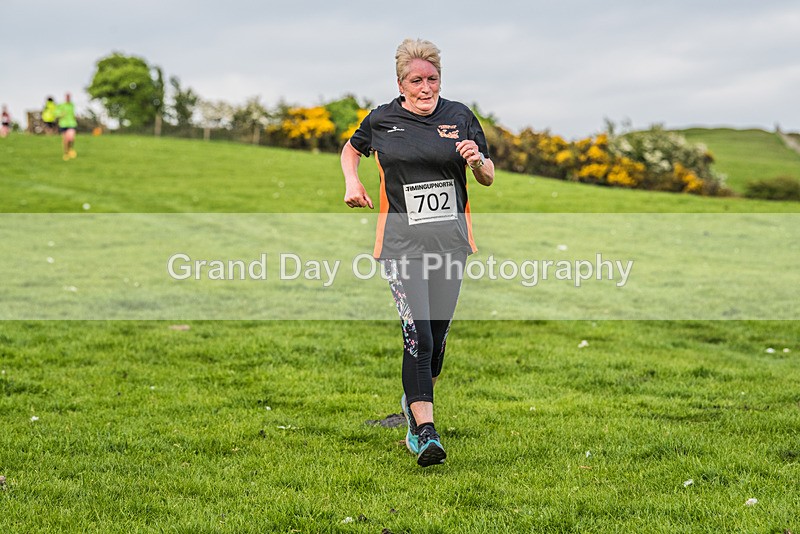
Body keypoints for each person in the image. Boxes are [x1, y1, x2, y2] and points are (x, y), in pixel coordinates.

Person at [340, 38, 495, 467]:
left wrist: (477, 160)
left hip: (450, 245)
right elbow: (351, 150)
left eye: (432, 79)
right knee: (419, 337)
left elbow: (488, 176)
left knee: (437, 342)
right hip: (401, 245)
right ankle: (425, 432)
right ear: (400, 83)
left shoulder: (460, 116)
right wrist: (353, 182)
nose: (426, 87)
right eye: (416, 80)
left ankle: (414, 398)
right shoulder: (382, 119)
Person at [56, 93, 78, 160]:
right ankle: (66, 153)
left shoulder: (72, 105)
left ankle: (70, 149)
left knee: (71, 138)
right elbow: (56, 113)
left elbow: (73, 113)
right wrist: (61, 114)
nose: (68, 98)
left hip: (71, 124)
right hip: (63, 124)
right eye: (67, 97)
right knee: (65, 140)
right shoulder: (61, 105)